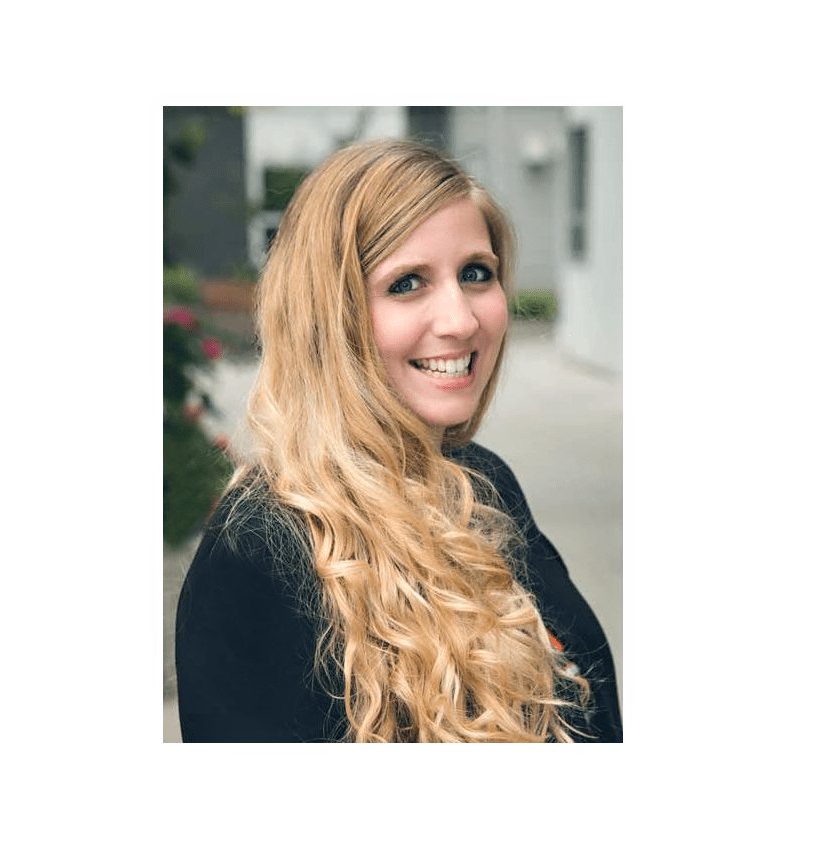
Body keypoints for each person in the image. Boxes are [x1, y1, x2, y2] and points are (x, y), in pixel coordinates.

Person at [175, 139, 622, 743]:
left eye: (475, 274)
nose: (462, 320)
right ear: (330, 316)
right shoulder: (260, 547)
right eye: (407, 282)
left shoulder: (481, 482)